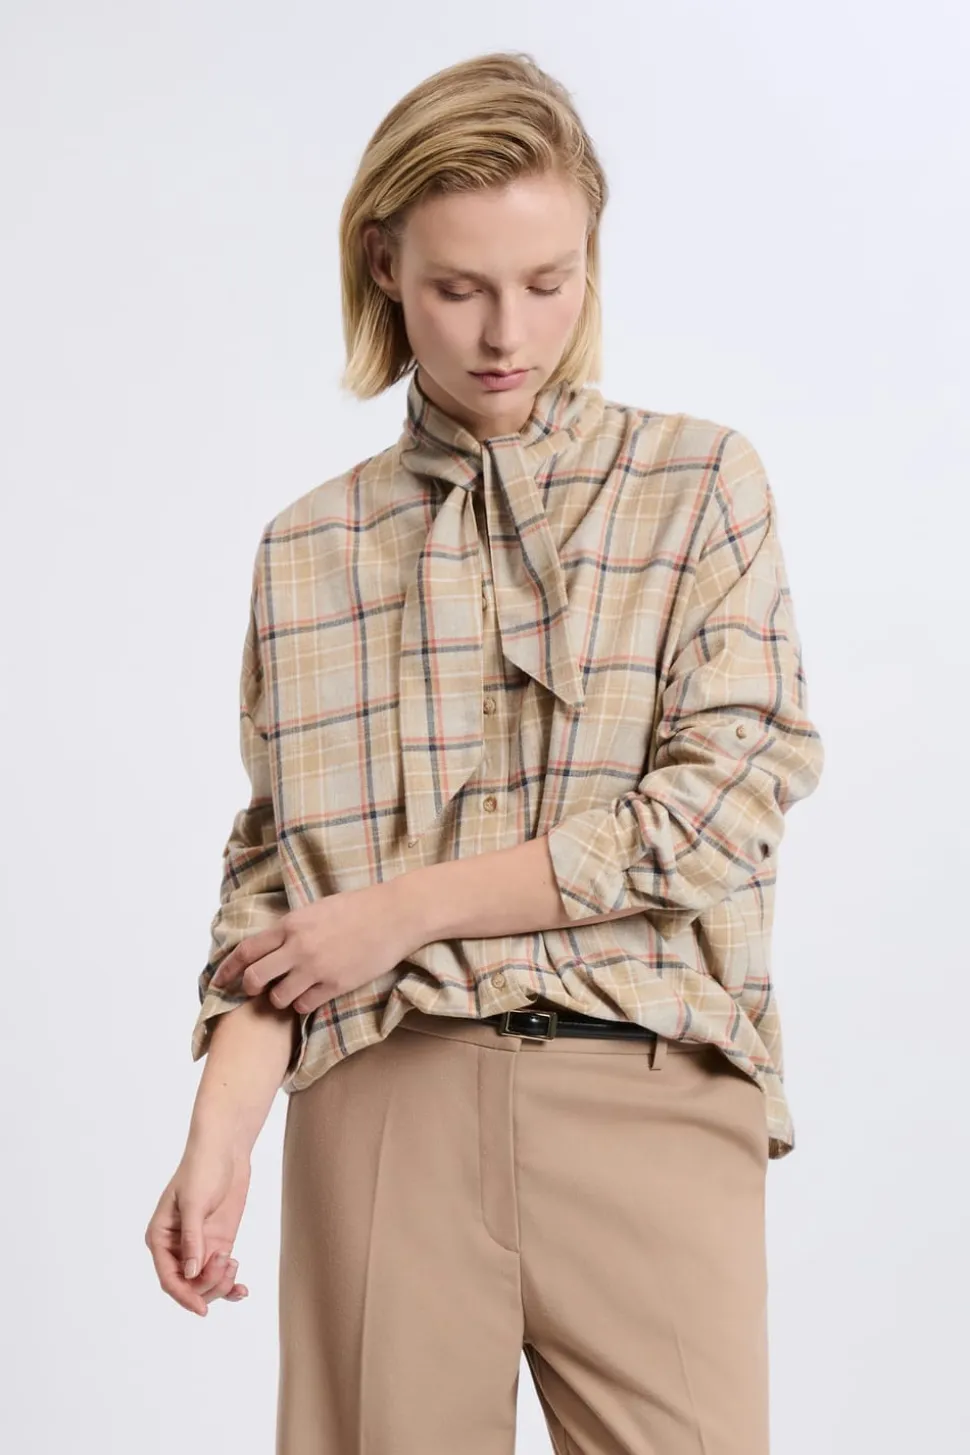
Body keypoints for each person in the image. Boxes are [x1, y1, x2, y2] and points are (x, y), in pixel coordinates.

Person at [145, 49, 825, 1455]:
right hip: (385, 1107)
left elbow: (717, 811)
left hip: (650, 1087)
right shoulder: (310, 547)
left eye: (548, 280)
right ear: (384, 265)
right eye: (459, 287)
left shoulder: (700, 484)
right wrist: (219, 1135)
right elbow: (277, 883)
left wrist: (403, 910)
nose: (508, 332)